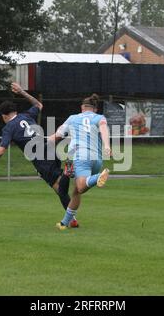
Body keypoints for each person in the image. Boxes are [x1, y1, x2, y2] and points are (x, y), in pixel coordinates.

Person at [0, 83, 77, 226]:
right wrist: (22, 92)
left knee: (58, 187)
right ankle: (71, 219)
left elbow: (0, 152)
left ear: (4, 116)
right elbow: (39, 105)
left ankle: (68, 175)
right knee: (58, 187)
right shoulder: (26, 115)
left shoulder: (8, 127)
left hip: (39, 156)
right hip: (48, 147)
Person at [51, 94, 111, 230]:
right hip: (97, 159)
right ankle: (65, 223)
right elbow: (103, 129)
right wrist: (107, 145)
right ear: (95, 109)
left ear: (82, 107)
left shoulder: (73, 118)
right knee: (76, 192)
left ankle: (98, 177)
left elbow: (58, 135)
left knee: (81, 187)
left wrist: (47, 139)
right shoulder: (100, 117)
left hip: (81, 156)